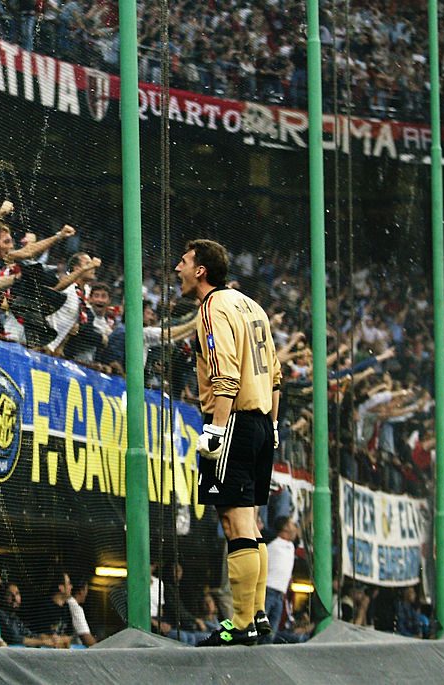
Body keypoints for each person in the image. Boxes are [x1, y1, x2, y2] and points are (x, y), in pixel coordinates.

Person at [175, 238, 281, 647]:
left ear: (201, 270)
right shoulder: (251, 305)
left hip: (232, 421)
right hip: (259, 423)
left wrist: (214, 432)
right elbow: (275, 375)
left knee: (236, 523)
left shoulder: (212, 308)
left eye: (183, 263)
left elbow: (225, 374)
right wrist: (271, 426)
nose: (177, 269)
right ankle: (255, 617)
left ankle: (239, 624)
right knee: (244, 522)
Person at [0, 582, 68, 648]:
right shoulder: (0, 614)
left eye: (17, 594)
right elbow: (15, 638)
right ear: (3, 597)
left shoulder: (14, 616)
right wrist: (42, 642)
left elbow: (27, 633)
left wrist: (48, 638)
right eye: (10, 595)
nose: (14, 598)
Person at [262, 516, 297, 643]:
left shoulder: (292, 546)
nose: (295, 528)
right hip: (268, 589)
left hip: (280, 595)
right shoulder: (272, 540)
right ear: (285, 528)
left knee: (272, 631)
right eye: (292, 524)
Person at [67, 578, 97, 646]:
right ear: (81, 591)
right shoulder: (74, 606)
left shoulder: (67, 603)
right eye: (86, 590)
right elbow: (87, 638)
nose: (87, 593)